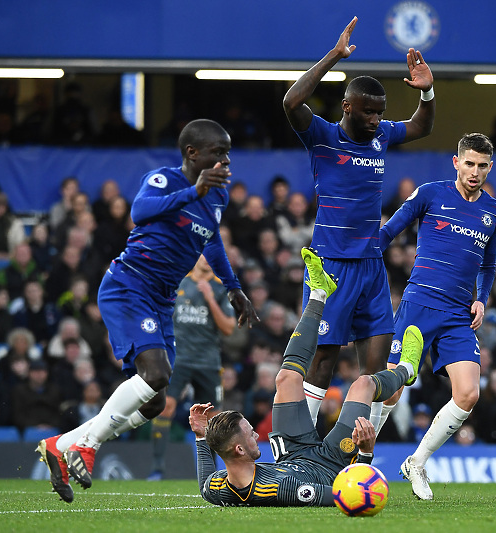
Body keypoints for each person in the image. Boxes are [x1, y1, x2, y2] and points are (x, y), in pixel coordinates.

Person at [35, 119, 258, 503]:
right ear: (192, 153)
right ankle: (86, 445)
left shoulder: (217, 197)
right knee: (156, 374)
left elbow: (212, 243)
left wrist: (235, 288)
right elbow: (139, 211)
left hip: (161, 298)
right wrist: (193, 190)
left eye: (227, 153)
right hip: (130, 284)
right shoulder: (165, 180)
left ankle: (61, 444)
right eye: (217, 152)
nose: (225, 161)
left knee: (154, 401)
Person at [282, 16, 435, 432]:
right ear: (347, 106)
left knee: (375, 368)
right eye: (368, 112)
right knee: (325, 358)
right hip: (331, 266)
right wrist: (334, 55)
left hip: (370, 266)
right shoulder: (323, 138)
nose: (375, 120)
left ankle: (359, 452)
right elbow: (290, 103)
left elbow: (422, 126)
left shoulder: (382, 135)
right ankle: (301, 445)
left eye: (380, 113)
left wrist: (427, 92)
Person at [189, 248, 422, 507]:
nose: (257, 435)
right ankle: (408, 370)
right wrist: (366, 452)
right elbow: (351, 496)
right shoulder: (285, 489)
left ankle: (319, 293)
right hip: (332, 463)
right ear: (239, 450)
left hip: (291, 452)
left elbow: (204, 484)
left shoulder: (218, 488)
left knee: (286, 379)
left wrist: (201, 436)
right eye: (250, 433)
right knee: (363, 383)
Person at [374, 133, 496, 500]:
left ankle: (417, 461)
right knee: (392, 390)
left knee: (468, 392)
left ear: (489, 167)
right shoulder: (431, 194)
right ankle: (359, 458)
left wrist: (482, 299)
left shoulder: (495, 212)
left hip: (458, 313)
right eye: (469, 163)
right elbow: (388, 233)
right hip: (419, 303)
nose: (475, 171)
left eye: (482, 165)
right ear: (456, 162)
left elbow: (489, 264)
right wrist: (360, 264)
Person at [147, 254, 236, 481]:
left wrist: (209, 298)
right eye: (202, 253)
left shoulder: (219, 288)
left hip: (208, 362)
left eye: (210, 254)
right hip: (179, 360)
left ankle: (214, 473)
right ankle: (157, 468)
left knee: (214, 418)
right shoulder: (179, 283)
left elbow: (228, 328)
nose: (206, 259)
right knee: (166, 406)